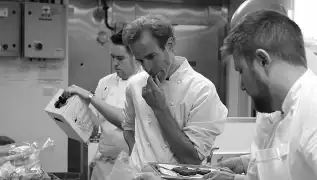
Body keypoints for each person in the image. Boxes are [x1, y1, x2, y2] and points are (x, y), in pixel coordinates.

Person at [208, 1, 317, 180]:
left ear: (263, 60)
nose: (242, 86)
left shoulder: (314, 107)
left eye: (241, 71)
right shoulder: (281, 108)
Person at [121, 14, 228, 170]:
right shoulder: (135, 84)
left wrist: (160, 108)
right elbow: (128, 128)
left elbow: (192, 159)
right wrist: (136, 160)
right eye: (140, 60)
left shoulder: (202, 91)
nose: (147, 68)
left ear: (169, 45)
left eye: (151, 56)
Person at [63, 30, 142, 180]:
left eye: (120, 58)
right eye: (113, 58)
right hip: (103, 163)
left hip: (131, 167)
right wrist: (75, 111)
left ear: (136, 57)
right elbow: (96, 124)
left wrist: (90, 97)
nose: (115, 63)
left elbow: (125, 121)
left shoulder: (145, 83)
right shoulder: (106, 82)